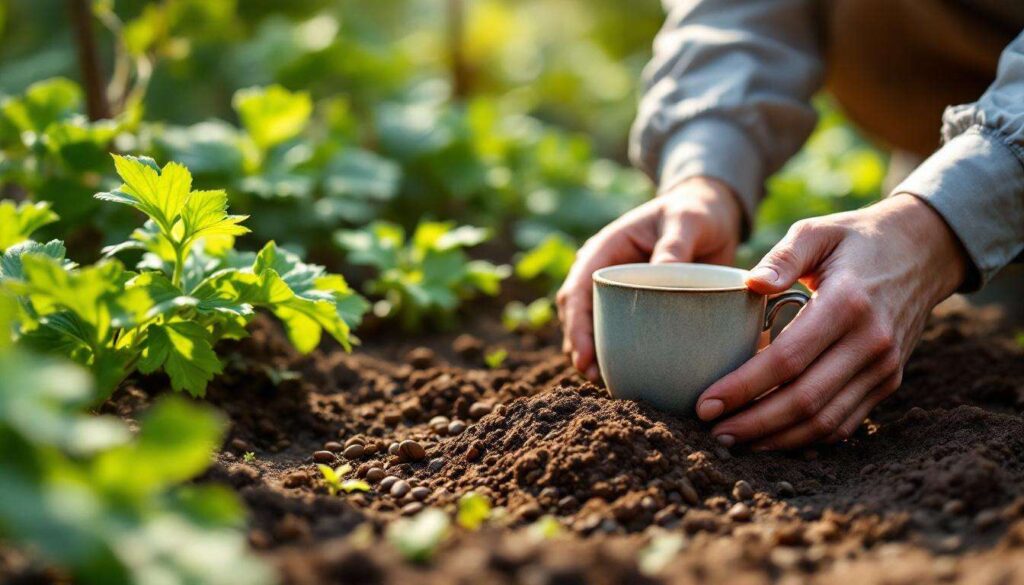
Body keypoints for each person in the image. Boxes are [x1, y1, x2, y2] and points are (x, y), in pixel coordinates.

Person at [557, 0, 1024, 450]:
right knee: (971, 334)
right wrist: (706, 175)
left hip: (992, 161)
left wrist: (938, 224)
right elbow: (737, 12)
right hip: (939, 147)